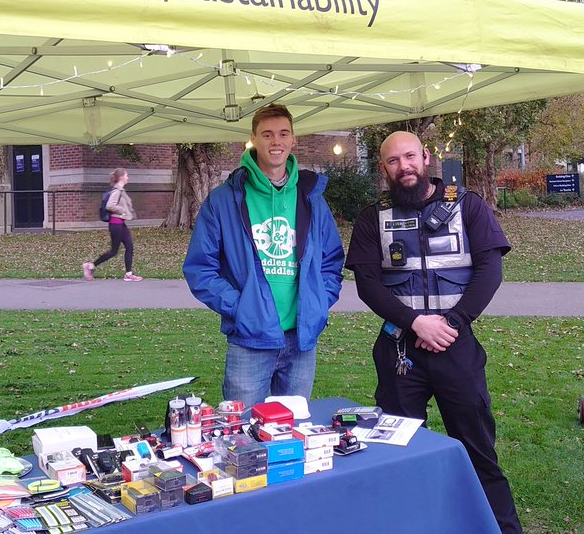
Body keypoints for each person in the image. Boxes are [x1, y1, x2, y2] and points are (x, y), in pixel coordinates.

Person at [345, 131, 522, 534]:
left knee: (478, 451)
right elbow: (368, 283)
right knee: (399, 451)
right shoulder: (373, 217)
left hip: (456, 347)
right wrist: (415, 322)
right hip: (399, 351)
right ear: (383, 167)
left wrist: (452, 322)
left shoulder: (468, 205)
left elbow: (490, 271)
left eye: (410, 157)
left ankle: (501, 528)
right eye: (394, 161)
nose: (404, 166)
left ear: (426, 157)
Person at [183, 104, 344, 409]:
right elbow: (200, 269)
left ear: (293, 139)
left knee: (293, 428)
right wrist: (242, 308)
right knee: (243, 430)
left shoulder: (311, 199)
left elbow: (332, 260)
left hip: (301, 340)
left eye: (283, 134)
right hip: (250, 340)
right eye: (267, 134)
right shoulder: (224, 200)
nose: (276, 141)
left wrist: (318, 302)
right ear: (253, 139)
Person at [83, 168, 143, 282]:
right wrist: (123, 211)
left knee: (129, 247)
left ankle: (129, 274)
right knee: (114, 251)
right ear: (121, 177)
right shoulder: (117, 191)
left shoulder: (120, 190)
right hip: (116, 224)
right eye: (126, 175)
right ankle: (90, 266)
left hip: (121, 223)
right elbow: (110, 206)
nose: (128, 177)